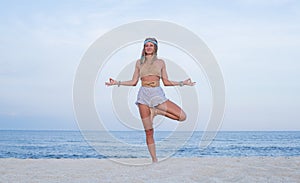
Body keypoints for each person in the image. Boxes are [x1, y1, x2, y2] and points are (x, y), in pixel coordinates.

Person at [105, 38, 195, 162]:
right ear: (144, 48)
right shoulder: (138, 63)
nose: (148, 47)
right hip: (143, 96)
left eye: (151, 45)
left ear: (155, 48)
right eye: (146, 45)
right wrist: (117, 82)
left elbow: (167, 82)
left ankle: (157, 111)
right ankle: (154, 160)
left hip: (157, 93)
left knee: (182, 116)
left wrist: (183, 83)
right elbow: (133, 82)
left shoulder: (161, 63)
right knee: (148, 131)